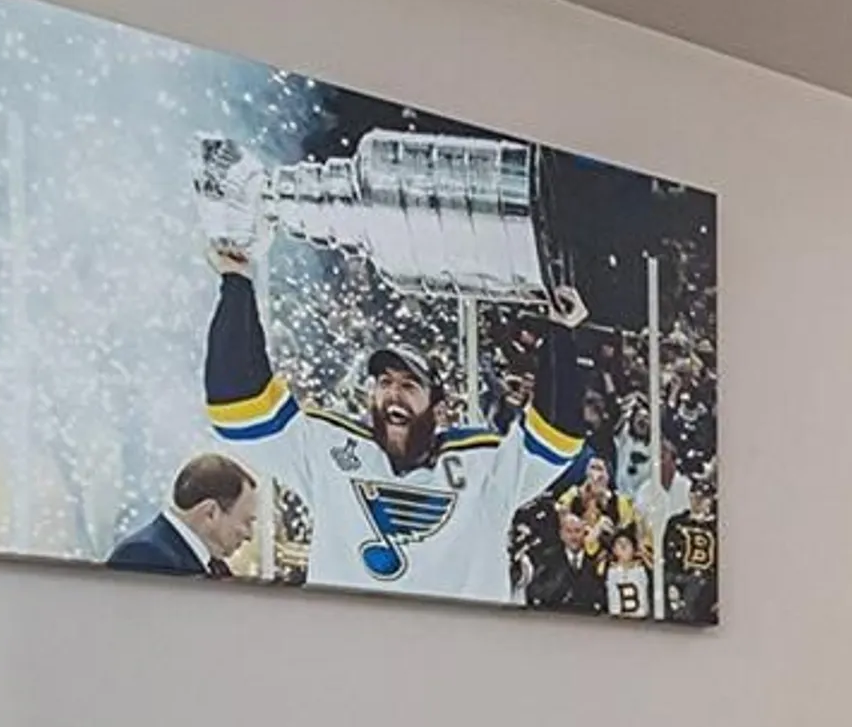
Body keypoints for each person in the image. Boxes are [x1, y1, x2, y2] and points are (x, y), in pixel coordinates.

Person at [199, 242, 594, 602]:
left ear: (439, 411)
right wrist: (237, 283)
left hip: (461, 657)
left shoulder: (483, 465)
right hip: (350, 653)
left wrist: (561, 334)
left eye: (409, 385)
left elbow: (556, 438)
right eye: (384, 382)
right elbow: (240, 407)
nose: (393, 393)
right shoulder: (329, 449)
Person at [105, 452, 262, 577]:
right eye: (246, 521)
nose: (250, 535)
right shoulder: (144, 555)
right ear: (210, 513)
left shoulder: (215, 566)